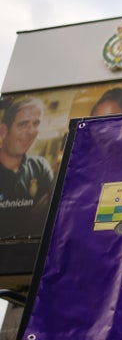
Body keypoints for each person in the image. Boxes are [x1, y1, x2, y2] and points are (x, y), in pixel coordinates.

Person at [0, 97, 55, 237]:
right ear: (4, 131)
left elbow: (50, 215)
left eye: (36, 123)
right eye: (23, 124)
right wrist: (31, 219)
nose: (31, 131)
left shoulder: (40, 167)